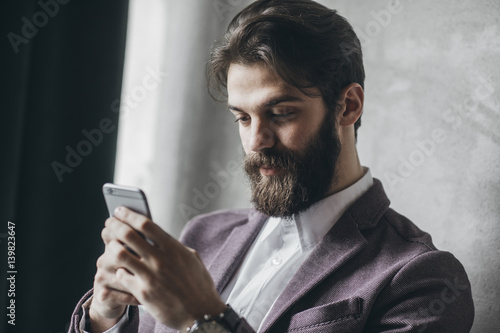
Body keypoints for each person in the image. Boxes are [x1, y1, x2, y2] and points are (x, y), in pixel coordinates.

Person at [69, 0, 474, 332]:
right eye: (242, 118)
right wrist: (106, 318)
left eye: (280, 113)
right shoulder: (203, 236)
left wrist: (204, 319)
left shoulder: (424, 280)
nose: (256, 141)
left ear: (348, 106)